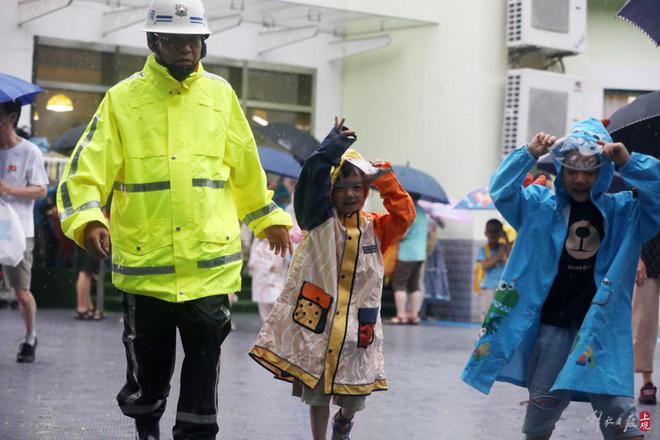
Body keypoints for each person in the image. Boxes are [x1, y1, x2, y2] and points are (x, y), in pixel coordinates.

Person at [56, 0, 292, 438]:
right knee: (149, 371)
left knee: (203, 370)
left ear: (203, 43)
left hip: (208, 268)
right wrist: (89, 220)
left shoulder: (221, 96)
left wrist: (266, 217)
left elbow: (245, 168)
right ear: (153, 42)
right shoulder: (122, 100)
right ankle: (147, 423)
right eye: (175, 40)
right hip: (148, 269)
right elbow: (84, 171)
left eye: (194, 41)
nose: (186, 49)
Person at [462, 118, 660, 440]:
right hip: (553, 328)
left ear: (603, 172)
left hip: (603, 333)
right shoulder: (539, 207)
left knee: (625, 420)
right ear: (561, 171)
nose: (580, 179)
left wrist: (629, 162)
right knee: (539, 417)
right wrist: (527, 153)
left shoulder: (625, 212)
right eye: (572, 170)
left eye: (589, 171)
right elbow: (501, 190)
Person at [250, 117, 415, 440]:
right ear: (331, 190)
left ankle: (344, 421)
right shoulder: (318, 219)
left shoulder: (375, 228)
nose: (350, 194)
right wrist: (333, 146)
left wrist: (386, 181)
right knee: (317, 391)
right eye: (341, 187)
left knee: (355, 395)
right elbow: (312, 176)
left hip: (357, 325)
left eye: (358, 187)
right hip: (320, 322)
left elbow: (404, 216)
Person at [0, 99, 48, 363]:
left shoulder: (29, 151)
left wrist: (9, 189)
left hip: (17, 230)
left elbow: (40, 190)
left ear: (12, 116)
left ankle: (30, 336)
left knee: (20, 291)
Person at [389, 193, 428, 325]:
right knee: (414, 285)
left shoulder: (409, 210)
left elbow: (403, 233)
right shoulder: (423, 212)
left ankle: (401, 315)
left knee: (399, 284)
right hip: (420, 254)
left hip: (407, 254)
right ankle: (414, 315)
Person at [632, 232, 660, 405]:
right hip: (648, 259)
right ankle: (647, 380)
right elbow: (634, 222)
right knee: (644, 322)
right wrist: (637, 258)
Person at [473, 218, 509, 321]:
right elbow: (485, 266)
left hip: (503, 288)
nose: (493, 234)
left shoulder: (504, 247)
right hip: (488, 287)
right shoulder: (484, 249)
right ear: (486, 233)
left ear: (500, 233)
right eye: (490, 231)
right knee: (487, 317)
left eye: (496, 231)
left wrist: (506, 239)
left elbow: (512, 257)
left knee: (501, 317)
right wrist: (499, 256)